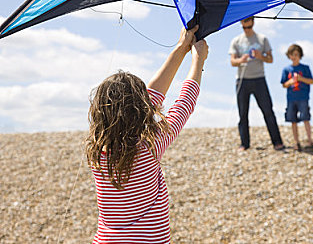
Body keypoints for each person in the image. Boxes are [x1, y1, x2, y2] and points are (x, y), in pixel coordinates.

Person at [85, 25, 208, 243]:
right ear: (142, 110)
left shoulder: (97, 151)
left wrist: (181, 48)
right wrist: (198, 61)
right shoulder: (151, 146)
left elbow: (149, 99)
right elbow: (184, 103)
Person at [229, 16, 285, 151]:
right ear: (241, 24)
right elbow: (232, 62)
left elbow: (271, 59)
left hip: (259, 79)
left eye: (249, 27)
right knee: (243, 113)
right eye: (244, 27)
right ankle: (245, 144)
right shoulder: (236, 41)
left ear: (253, 23)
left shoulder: (262, 39)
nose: (246, 29)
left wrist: (261, 56)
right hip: (242, 81)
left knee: (268, 111)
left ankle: (277, 142)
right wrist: (241, 60)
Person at [281, 44, 313, 151]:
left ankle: (310, 140)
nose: (294, 57)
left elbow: (311, 81)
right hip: (291, 98)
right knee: (293, 120)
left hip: (303, 97)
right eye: (292, 54)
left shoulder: (305, 68)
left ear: (300, 55)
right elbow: (283, 84)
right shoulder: (286, 69)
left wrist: (300, 78)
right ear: (289, 56)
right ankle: (296, 142)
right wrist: (290, 82)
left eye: (296, 54)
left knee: (305, 118)